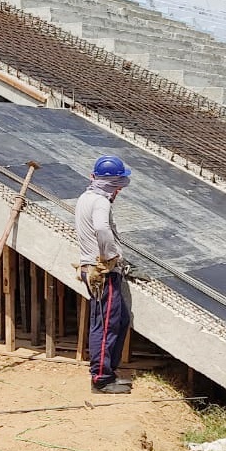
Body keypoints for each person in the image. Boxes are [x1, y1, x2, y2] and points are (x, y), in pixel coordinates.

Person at [75, 154, 134, 394]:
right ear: (115, 184)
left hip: (96, 270)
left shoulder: (85, 197)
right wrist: (110, 256)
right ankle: (100, 378)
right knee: (106, 324)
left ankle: (109, 370)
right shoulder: (100, 201)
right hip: (102, 273)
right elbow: (101, 228)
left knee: (120, 320)